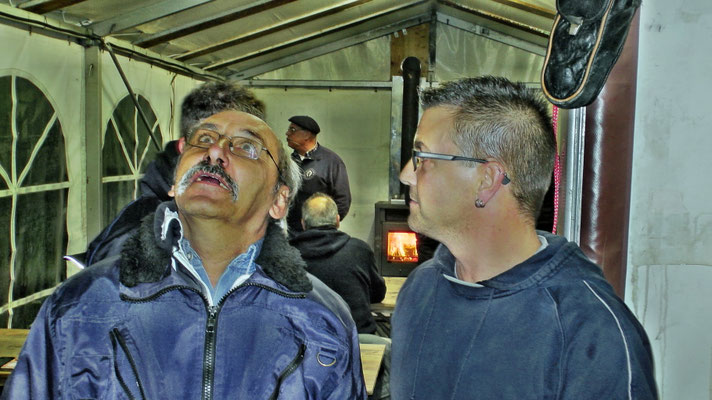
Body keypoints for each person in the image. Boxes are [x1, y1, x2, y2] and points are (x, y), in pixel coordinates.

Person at [2, 82, 366, 399]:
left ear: (279, 200)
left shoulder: (322, 319)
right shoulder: (81, 304)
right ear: (175, 183)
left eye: (245, 146)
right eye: (203, 139)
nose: (215, 151)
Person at [390, 76, 658, 399]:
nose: (406, 174)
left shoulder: (589, 331)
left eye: (422, 158)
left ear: (487, 180)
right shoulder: (420, 289)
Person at [85, 81, 266, 265]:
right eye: (206, 139)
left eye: (244, 146)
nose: (221, 154)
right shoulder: (139, 242)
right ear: (183, 146)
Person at [290, 192, 386, 334]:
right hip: (357, 338)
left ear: (303, 223)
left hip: (307, 338)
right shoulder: (360, 249)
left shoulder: (287, 255)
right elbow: (378, 294)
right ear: (337, 220)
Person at [285, 115, 351, 235]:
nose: (287, 133)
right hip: (292, 233)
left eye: (292, 130)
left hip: (321, 233)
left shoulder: (331, 162)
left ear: (307, 135)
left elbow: (343, 200)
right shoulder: (288, 162)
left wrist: (328, 226)